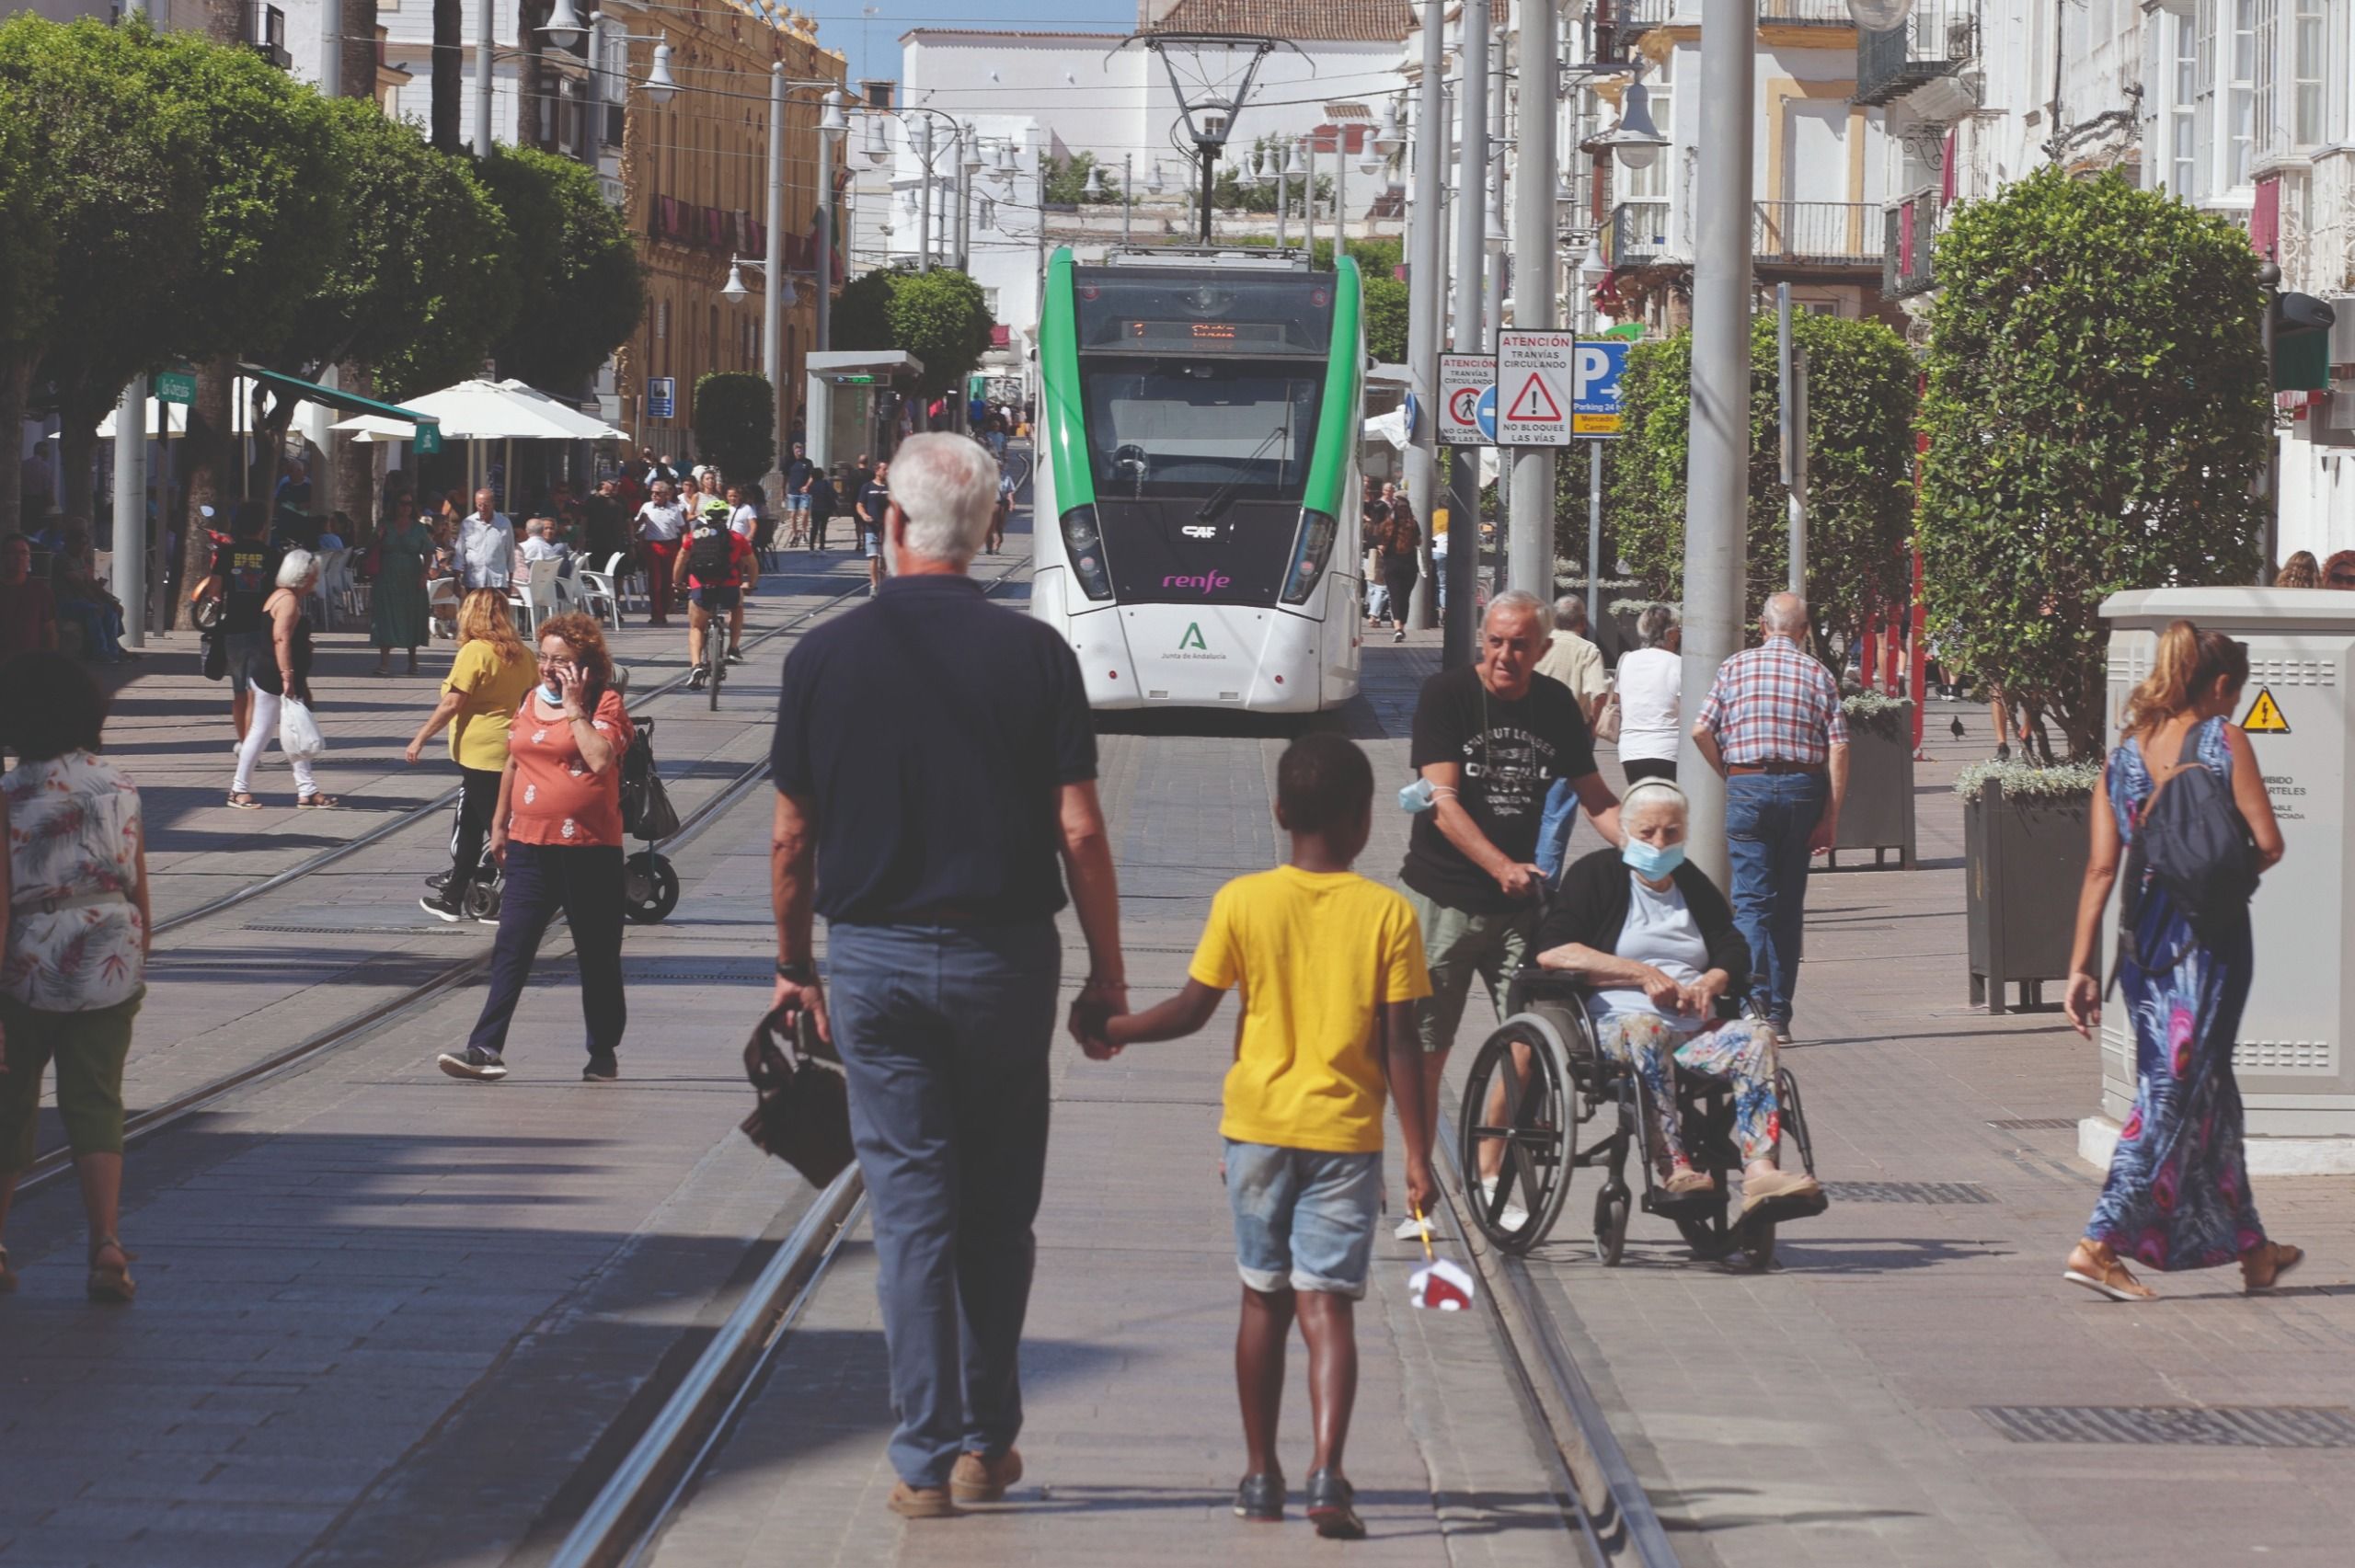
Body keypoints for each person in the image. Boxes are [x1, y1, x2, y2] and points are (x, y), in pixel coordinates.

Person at [766, 432, 1126, 1520]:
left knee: (912, 1215)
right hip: (1005, 959)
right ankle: (984, 1441)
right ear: (991, 531)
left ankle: (924, 1459)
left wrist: (794, 966)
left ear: (888, 524)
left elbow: (791, 840)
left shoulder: (819, 659)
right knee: (998, 1209)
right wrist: (1109, 977)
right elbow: (1080, 827)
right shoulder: (1038, 656)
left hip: (872, 961)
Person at [1096, 735, 1432, 1539]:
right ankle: (1327, 1470)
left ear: (1279, 812)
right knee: (1327, 1305)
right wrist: (1418, 1153)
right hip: (1346, 1136)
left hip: (1257, 1129)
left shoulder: (1242, 900)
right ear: (1361, 821)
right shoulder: (1389, 911)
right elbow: (1401, 1045)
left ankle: (1258, 1474)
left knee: (1262, 1296)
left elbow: (1191, 1009)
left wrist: (1112, 1026)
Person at [2061, 621, 2296, 1300]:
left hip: (2144, 947)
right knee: (2171, 1093)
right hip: (2211, 942)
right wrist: (2221, 874)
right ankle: (2099, 1242)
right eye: (2235, 691)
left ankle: (2252, 1249)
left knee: (2204, 1084)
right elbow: (2270, 843)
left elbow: (2102, 869)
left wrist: (2079, 966)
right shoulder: (2225, 742)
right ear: (2220, 685)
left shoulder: (2123, 758)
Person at [1397, 590, 1622, 1233]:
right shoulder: (1446, 696)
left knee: (1530, 1037)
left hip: (1518, 907)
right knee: (1427, 1047)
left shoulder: (1553, 704)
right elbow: (1439, 798)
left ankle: (1489, 1168)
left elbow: (1596, 798)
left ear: (1543, 650)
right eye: (1495, 641)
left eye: (1519, 644)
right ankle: (1418, 1185)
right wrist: (1499, 865)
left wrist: (1648, 849)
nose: (1504, 655)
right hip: (1443, 897)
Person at [1531, 779, 1820, 1208]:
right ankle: (1673, 1165)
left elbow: (1733, 945)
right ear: (1625, 832)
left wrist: (1712, 980)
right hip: (1618, 1027)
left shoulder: (1691, 882)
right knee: (1647, 1031)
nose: (1659, 842)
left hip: (1690, 1032)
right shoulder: (1596, 875)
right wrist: (1640, 974)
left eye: (1670, 832)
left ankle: (1760, 1171)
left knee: (1757, 1038)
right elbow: (1554, 951)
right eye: (1647, 833)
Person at [0, 652, 149, 1302]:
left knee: (10, 1103)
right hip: (111, 949)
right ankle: (107, 1244)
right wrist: (139, 957)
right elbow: (140, 886)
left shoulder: (9, 795)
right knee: (96, 1100)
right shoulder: (118, 783)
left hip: (31, 959)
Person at [438, 613, 634, 1084]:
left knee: (597, 954)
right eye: (543, 657)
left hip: (588, 851)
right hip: (529, 847)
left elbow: (601, 759)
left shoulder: (605, 704)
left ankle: (602, 1051)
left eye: (560, 660)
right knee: (512, 947)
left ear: (585, 665)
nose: (547, 668)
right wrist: (500, 824)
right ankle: (485, 1047)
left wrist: (573, 708)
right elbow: (513, 763)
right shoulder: (529, 701)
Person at [1691, 592, 1848, 1042]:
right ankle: (1778, 1017)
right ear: (1803, 631)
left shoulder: (1734, 667)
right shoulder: (1818, 674)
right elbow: (1838, 745)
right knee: (1787, 906)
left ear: (1762, 626)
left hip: (1748, 786)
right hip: (1802, 790)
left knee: (1751, 904)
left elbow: (1701, 728)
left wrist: (1729, 771)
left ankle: (1751, 1007)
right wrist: (1831, 815)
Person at [407, 590, 540, 922]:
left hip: (481, 755)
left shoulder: (475, 652)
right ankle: (456, 897)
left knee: (496, 829)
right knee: (470, 826)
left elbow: (453, 702)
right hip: (513, 751)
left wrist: (420, 738)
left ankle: (509, 898)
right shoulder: (523, 653)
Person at [227, 549, 337, 810]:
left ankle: (307, 790)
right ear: (302, 575)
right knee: (260, 734)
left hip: (273, 674)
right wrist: (287, 676)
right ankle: (238, 789)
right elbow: (281, 639)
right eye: (313, 575)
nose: (316, 581)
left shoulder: (281, 596)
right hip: (273, 677)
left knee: (294, 731)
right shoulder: (287, 601)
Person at [191, 502, 282, 742]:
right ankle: (252, 747)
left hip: (233, 628)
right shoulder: (272, 555)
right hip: (262, 629)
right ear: (262, 528)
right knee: (257, 692)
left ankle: (244, 743)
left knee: (239, 692)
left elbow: (214, 591)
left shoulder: (226, 554)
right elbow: (280, 592)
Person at [677, 493, 757, 687]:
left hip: (700, 587)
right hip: (728, 586)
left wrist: (676, 582)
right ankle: (733, 648)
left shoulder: (694, 536)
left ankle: (696, 665)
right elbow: (752, 564)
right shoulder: (736, 538)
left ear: (706, 516)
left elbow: (681, 559)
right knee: (737, 606)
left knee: (696, 627)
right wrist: (751, 584)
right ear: (725, 517)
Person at [1614, 605, 1683, 784]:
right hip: (1667, 748)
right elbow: (1688, 708)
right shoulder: (1678, 664)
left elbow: (1618, 699)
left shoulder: (1626, 660)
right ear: (1672, 634)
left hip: (1630, 749)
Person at [49, 522, 130, 664]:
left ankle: (113, 651)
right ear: (70, 542)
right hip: (65, 603)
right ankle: (100, 652)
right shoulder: (62, 559)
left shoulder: (79, 559)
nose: (83, 547)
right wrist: (97, 602)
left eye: (85, 544)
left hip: (81, 602)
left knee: (110, 611)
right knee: (93, 610)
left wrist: (109, 600)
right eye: (80, 543)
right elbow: (80, 586)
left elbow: (90, 582)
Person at [369, 507, 432, 677]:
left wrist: (425, 574)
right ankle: (384, 662)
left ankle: (412, 660)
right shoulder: (384, 525)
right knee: (385, 616)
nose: (405, 507)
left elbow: (428, 551)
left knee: (411, 616)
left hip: (412, 578)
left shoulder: (418, 528)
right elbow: (370, 547)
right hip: (387, 577)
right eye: (402, 503)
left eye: (409, 503)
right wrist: (378, 538)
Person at [635, 479, 687, 627]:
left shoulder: (674, 509)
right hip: (652, 546)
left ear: (666, 495)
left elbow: (683, 530)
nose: (654, 496)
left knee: (668, 582)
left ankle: (664, 610)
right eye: (652, 493)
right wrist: (641, 522)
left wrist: (685, 548)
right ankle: (656, 613)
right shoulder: (646, 507)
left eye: (658, 493)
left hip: (670, 546)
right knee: (655, 581)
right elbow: (636, 525)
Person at [0, 535, 59, 657]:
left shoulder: (41, 591)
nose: (19, 558)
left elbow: (50, 633)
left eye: (24, 553)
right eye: (12, 552)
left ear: (29, 558)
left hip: (28, 665)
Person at [457, 488, 515, 591]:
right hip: (474, 580)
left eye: (486, 505)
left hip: (497, 581)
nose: (482, 508)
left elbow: (510, 553)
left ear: (493, 504)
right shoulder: (468, 523)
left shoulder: (504, 524)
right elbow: (460, 552)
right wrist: (456, 579)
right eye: (479, 505)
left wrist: (510, 581)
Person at [856, 457, 891, 597]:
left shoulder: (891, 487)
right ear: (877, 471)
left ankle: (883, 585)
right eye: (885, 469)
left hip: (887, 527)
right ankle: (874, 585)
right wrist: (864, 515)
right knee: (873, 557)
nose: (887, 472)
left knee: (884, 558)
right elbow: (859, 504)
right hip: (872, 526)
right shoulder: (868, 487)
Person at [783, 441, 815, 548]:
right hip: (792, 493)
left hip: (804, 493)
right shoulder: (790, 463)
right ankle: (795, 534)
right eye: (797, 449)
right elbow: (785, 477)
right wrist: (783, 490)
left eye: (800, 449)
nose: (799, 451)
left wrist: (807, 486)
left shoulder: (808, 462)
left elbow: (812, 476)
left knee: (804, 513)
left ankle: (804, 533)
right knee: (792, 515)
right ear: (794, 450)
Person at [805, 464, 838, 553]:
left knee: (814, 528)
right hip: (825, 508)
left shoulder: (813, 485)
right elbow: (835, 494)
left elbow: (808, 492)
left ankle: (811, 547)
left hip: (815, 508)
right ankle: (822, 547)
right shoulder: (826, 483)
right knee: (823, 529)